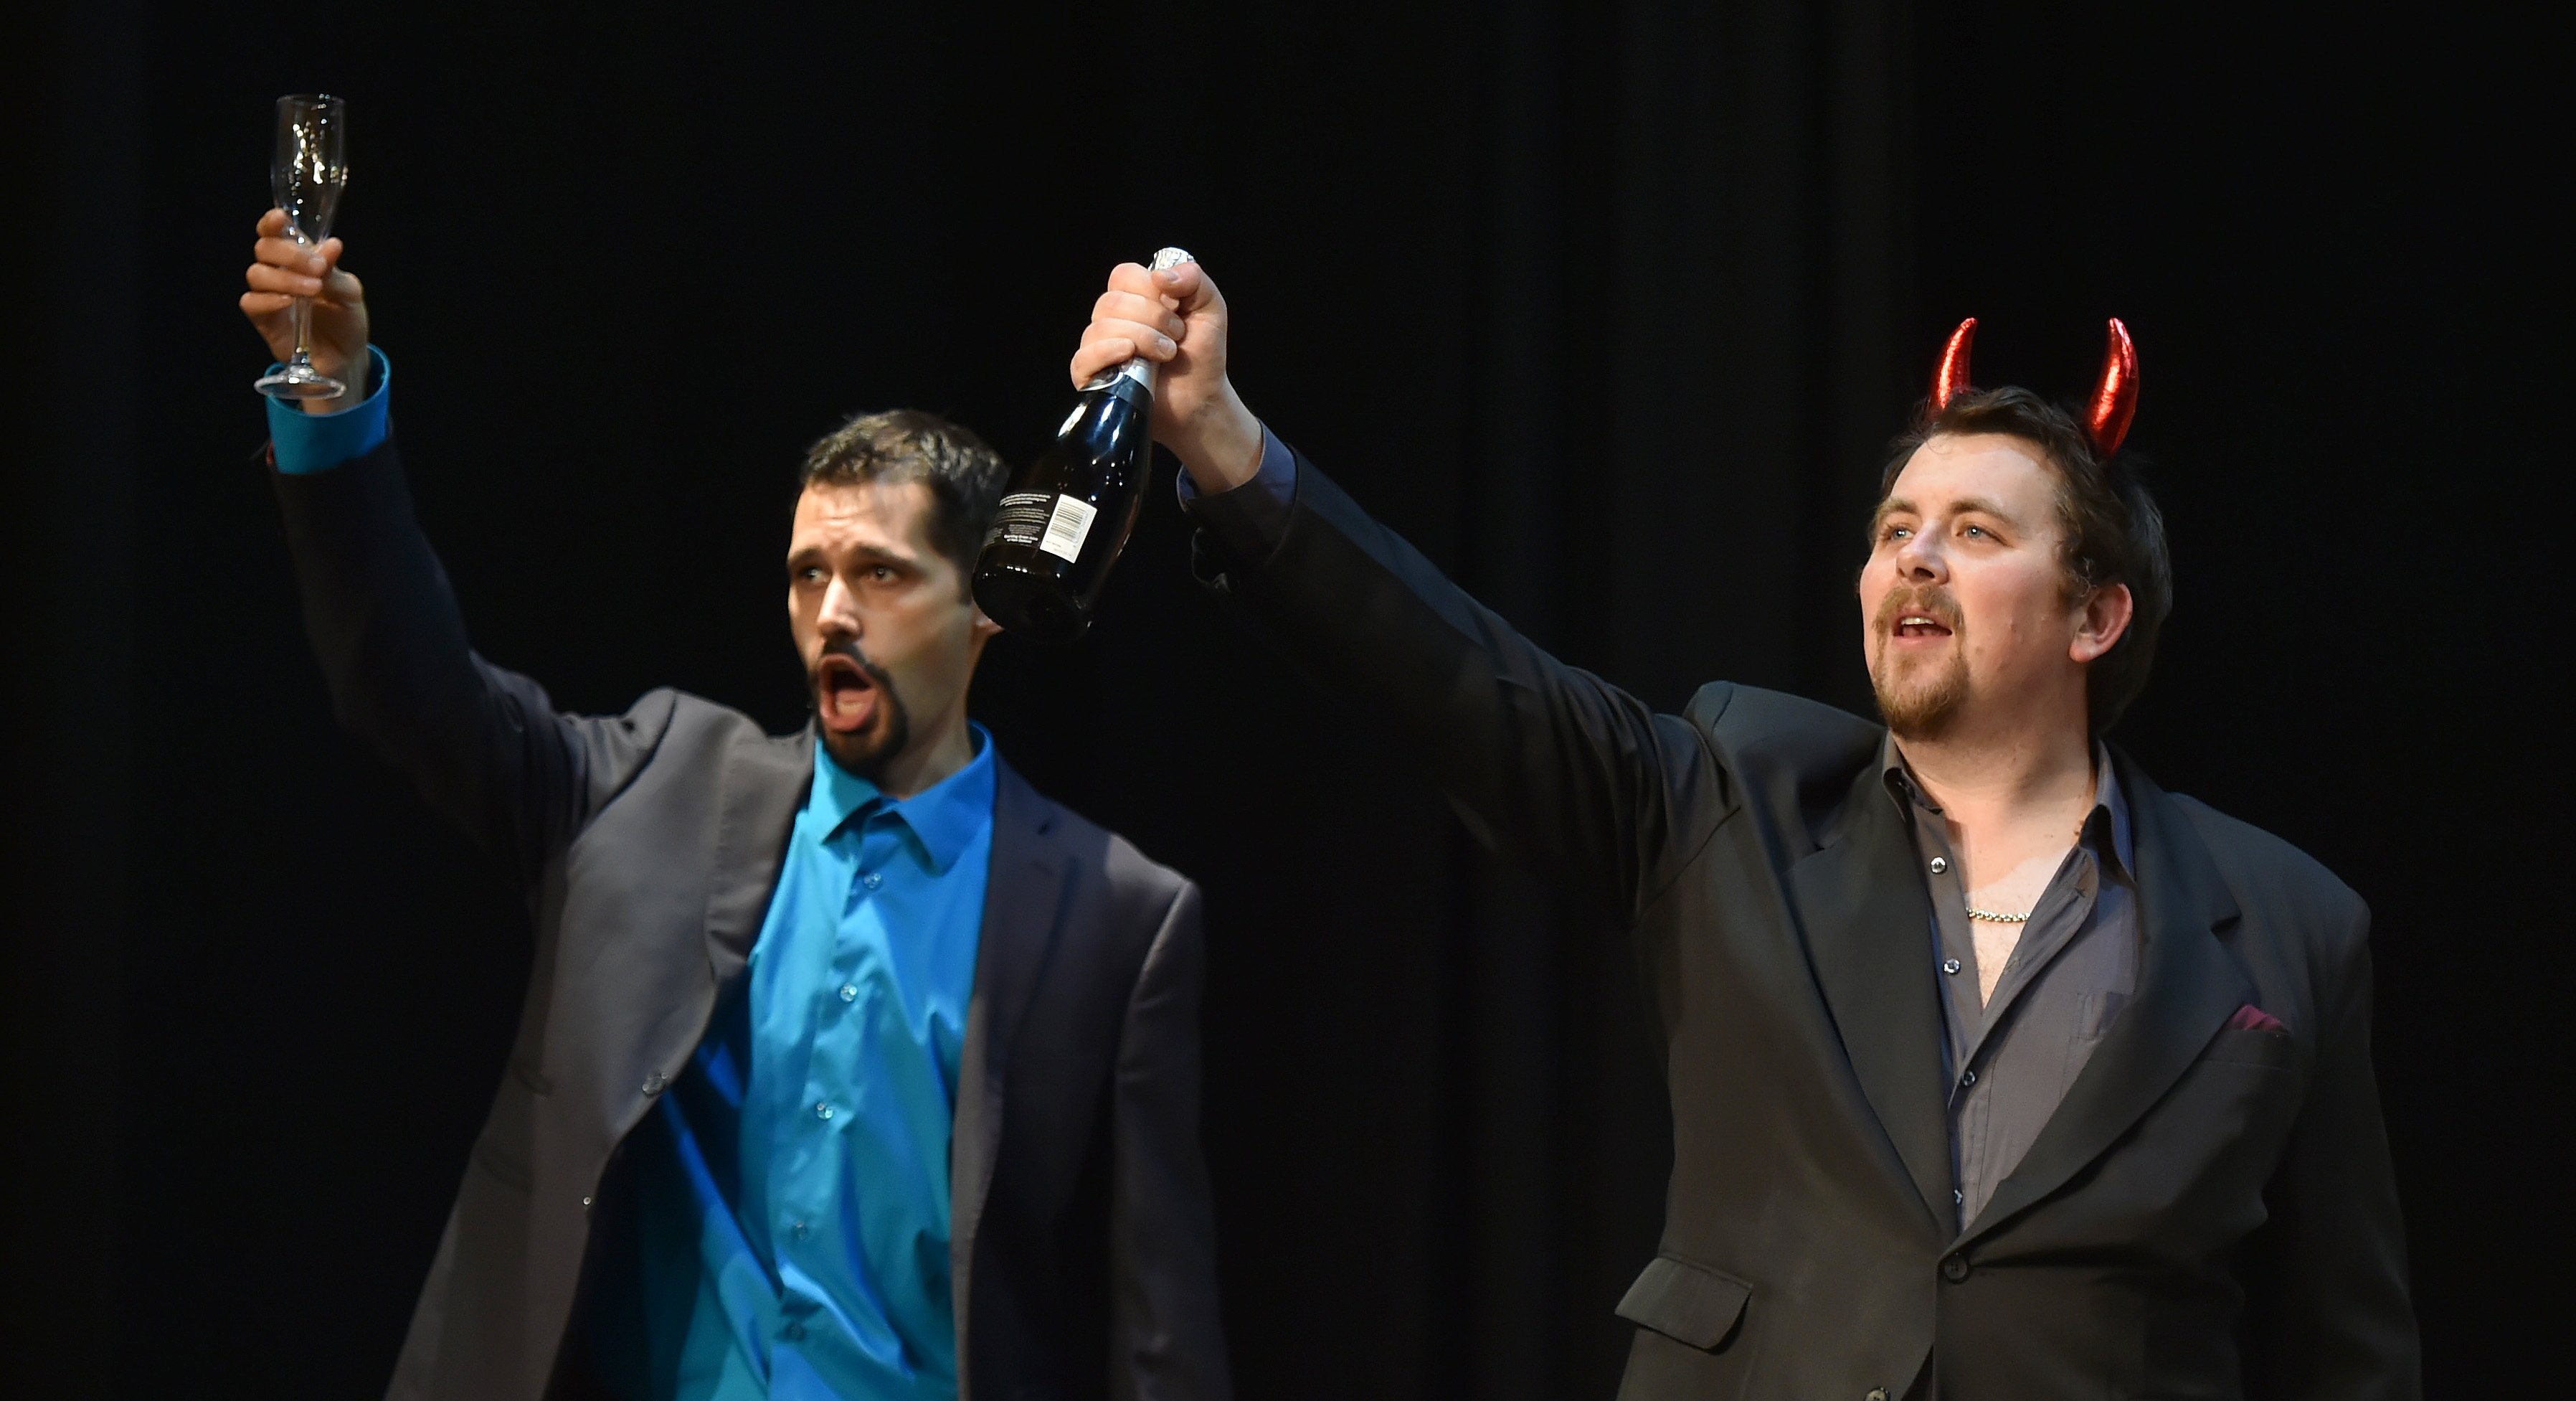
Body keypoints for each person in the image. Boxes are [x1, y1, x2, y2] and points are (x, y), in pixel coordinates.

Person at [1066, 264, 2418, 1397]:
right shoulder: (1734, 799)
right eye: (1897, 528)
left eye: (1975, 530)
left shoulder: (2289, 925)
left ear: (2095, 616)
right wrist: (1226, 447)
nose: (1916, 558)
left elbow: (2345, 1355)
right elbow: (1464, 680)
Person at [237, 210, 1231, 1401]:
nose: (835, 613)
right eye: (811, 573)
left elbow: (1156, 1335)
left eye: (881, 573)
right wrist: (334, 404)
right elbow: (407, 686)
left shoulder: (1113, 918)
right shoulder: (650, 783)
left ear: (986, 610)